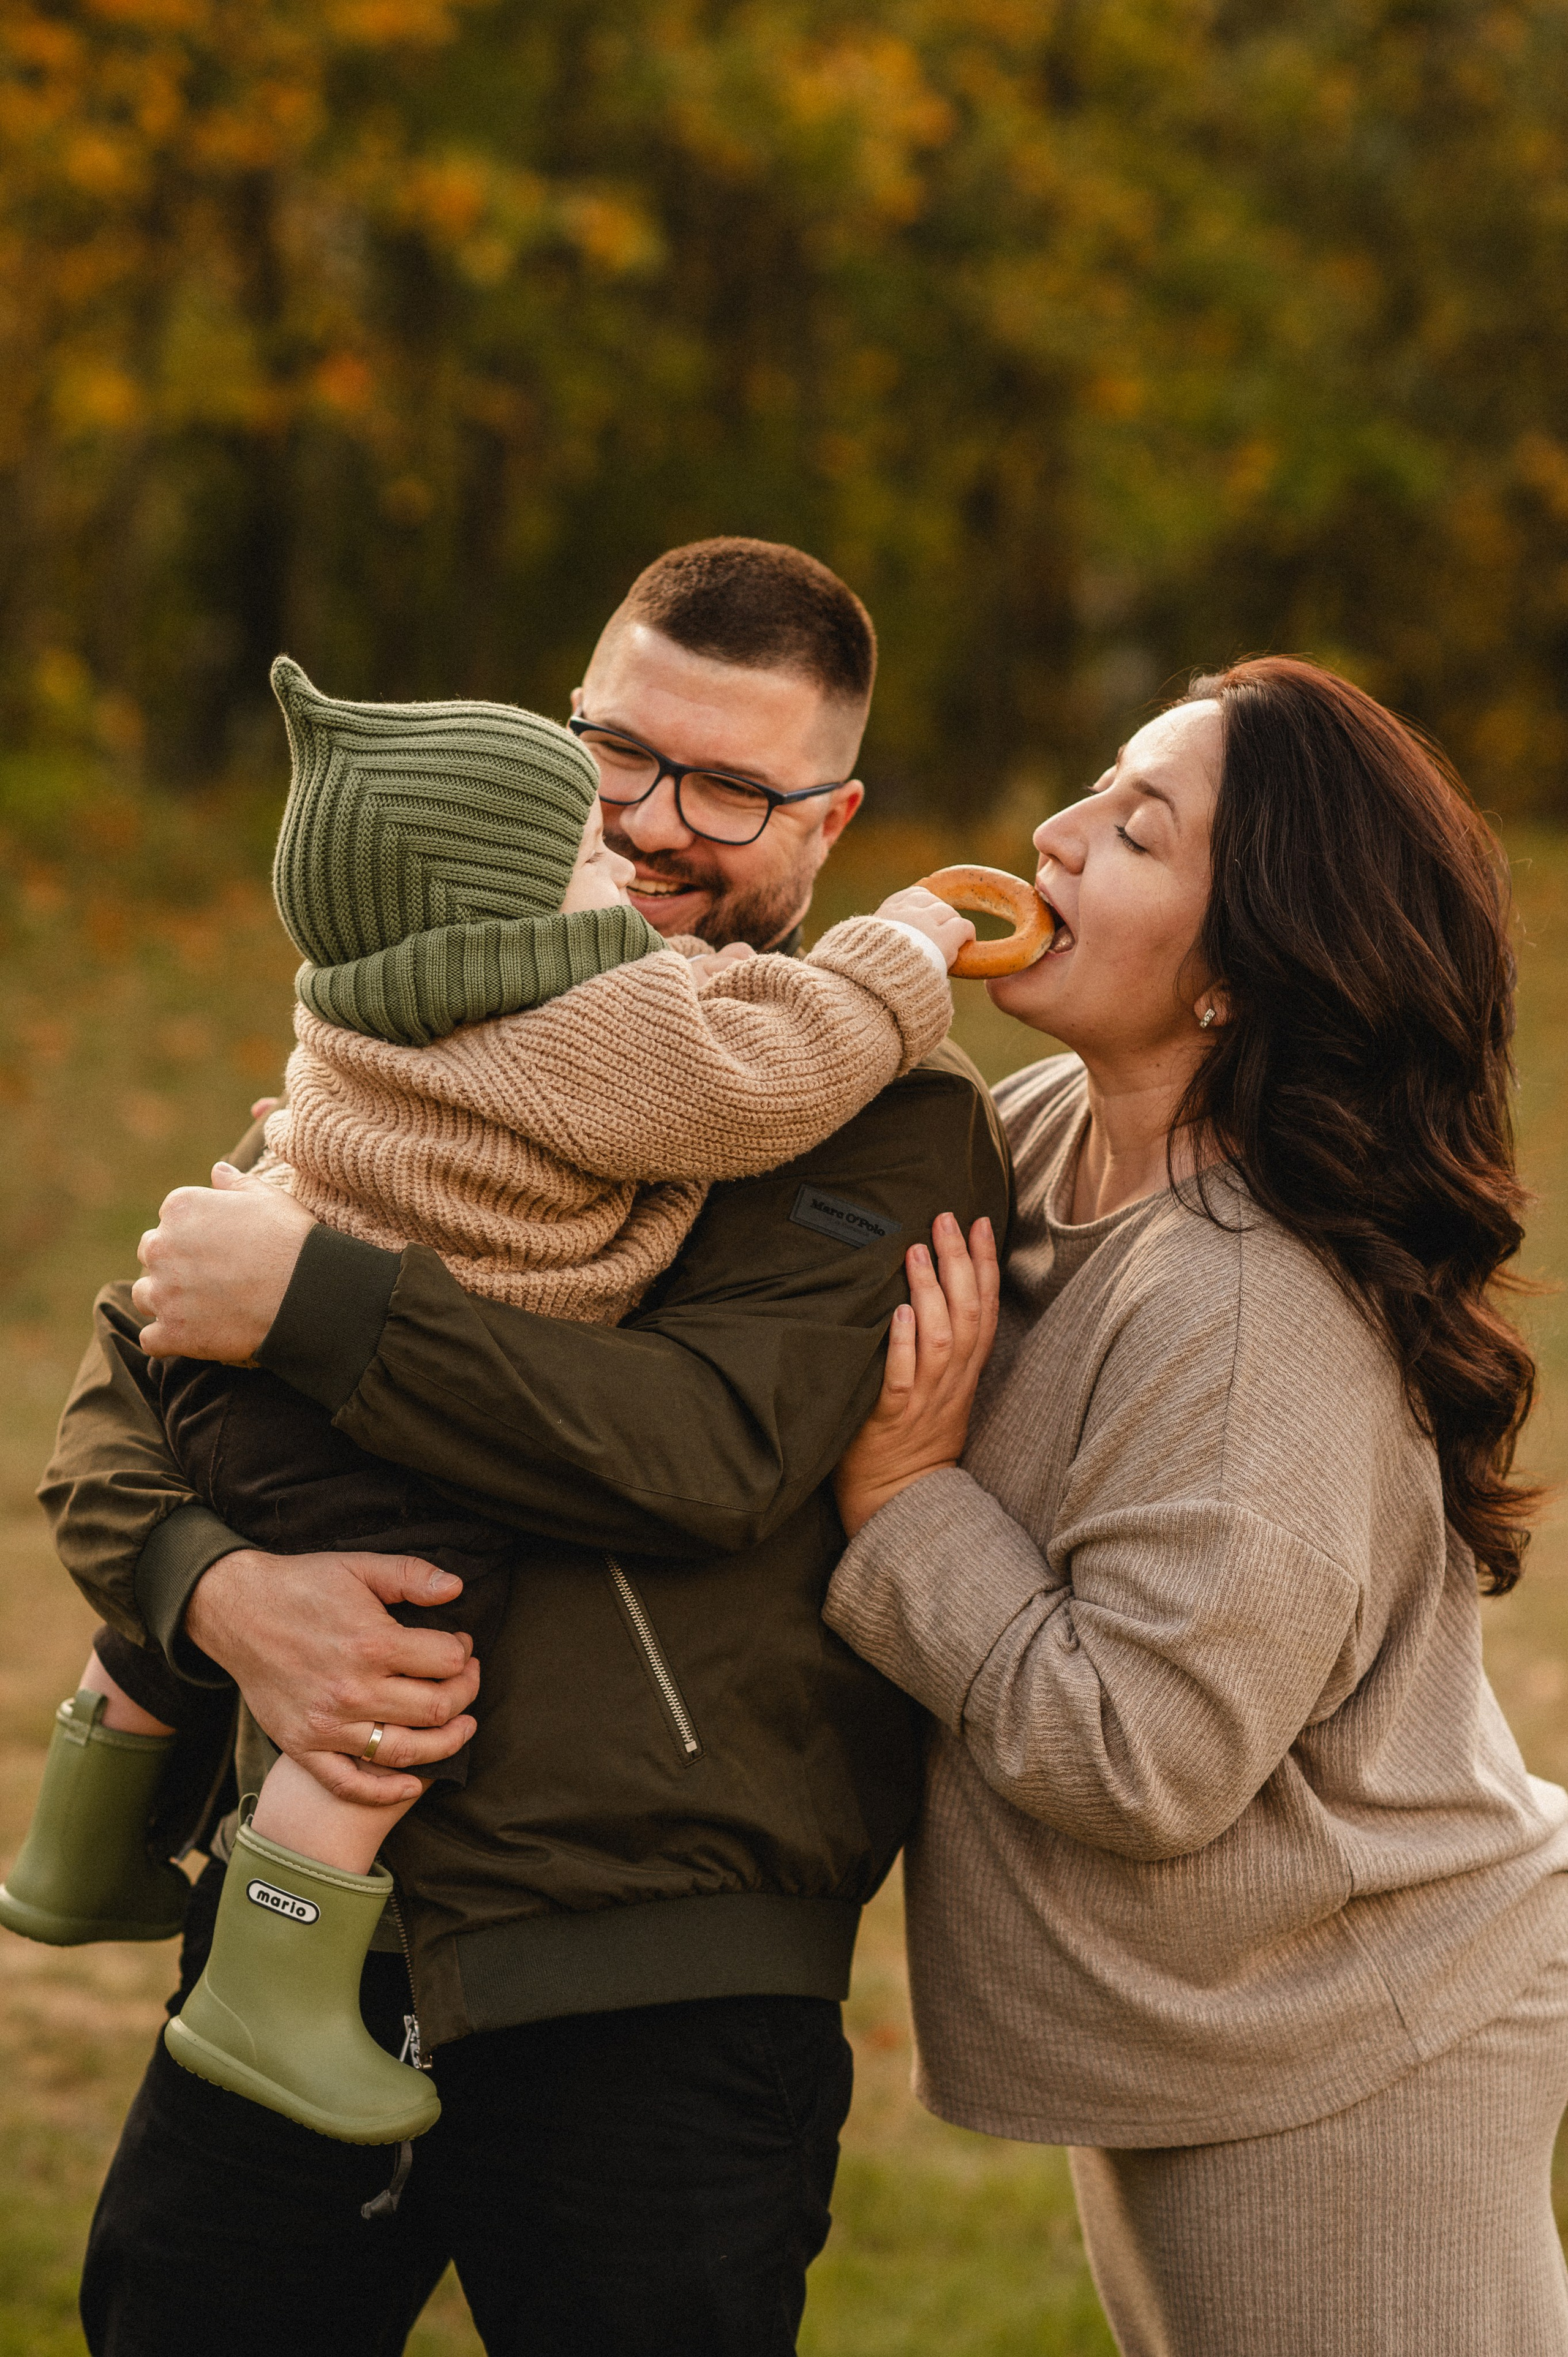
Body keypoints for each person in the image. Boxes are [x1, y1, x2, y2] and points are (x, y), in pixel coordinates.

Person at [36, 538, 1012, 2356]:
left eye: (731, 788)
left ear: (831, 820)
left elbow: (711, 1450)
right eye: (618, 751)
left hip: (654, 1979)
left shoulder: (882, 1115)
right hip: (298, 1921)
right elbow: (129, 1394)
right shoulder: (444, 997)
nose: (650, 823)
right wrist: (218, 1593)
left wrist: (317, 1305)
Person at [826, 657, 1568, 2357]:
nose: (1056, 835)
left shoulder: (1243, 1310)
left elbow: (1145, 1756)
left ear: (1240, 973)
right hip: (1223, 2027)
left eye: (1137, 832)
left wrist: (907, 1498)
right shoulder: (1036, 1144)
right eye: (1097, 787)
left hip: (1351, 2057)